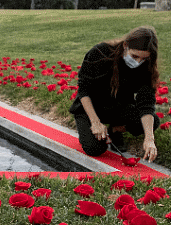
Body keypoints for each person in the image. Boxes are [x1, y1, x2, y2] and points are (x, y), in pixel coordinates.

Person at [69, 26, 163, 162]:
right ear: (126, 45)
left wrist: (149, 139)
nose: (138, 62)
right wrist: (95, 122)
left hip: (119, 107)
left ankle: (116, 129)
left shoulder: (146, 67)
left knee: (152, 121)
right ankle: (93, 125)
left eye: (143, 59)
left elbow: (146, 103)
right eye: (134, 56)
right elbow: (84, 89)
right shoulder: (100, 53)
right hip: (90, 107)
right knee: (94, 148)